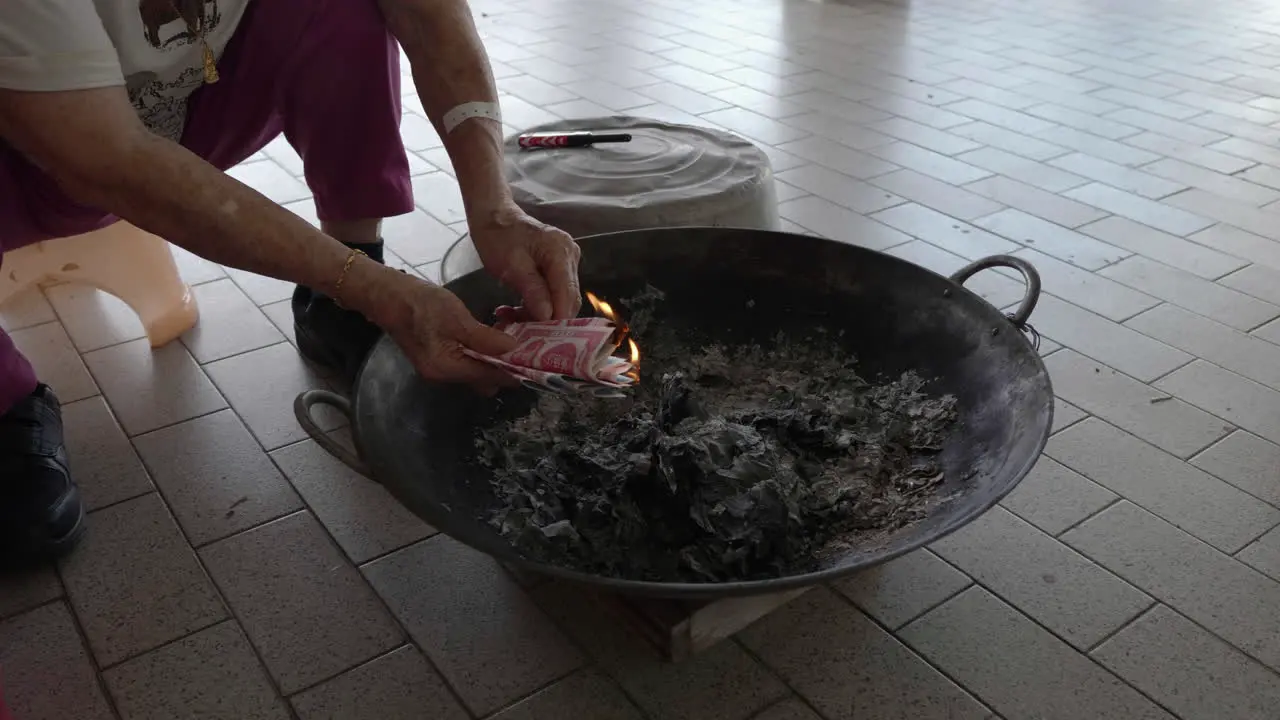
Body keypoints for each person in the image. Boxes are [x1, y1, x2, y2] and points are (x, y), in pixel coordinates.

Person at [0, 0, 583, 567]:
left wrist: (496, 207)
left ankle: (342, 291)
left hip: (186, 97)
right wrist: (381, 291)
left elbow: (429, 13)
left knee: (343, 9)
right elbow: (105, 157)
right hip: (35, 147)